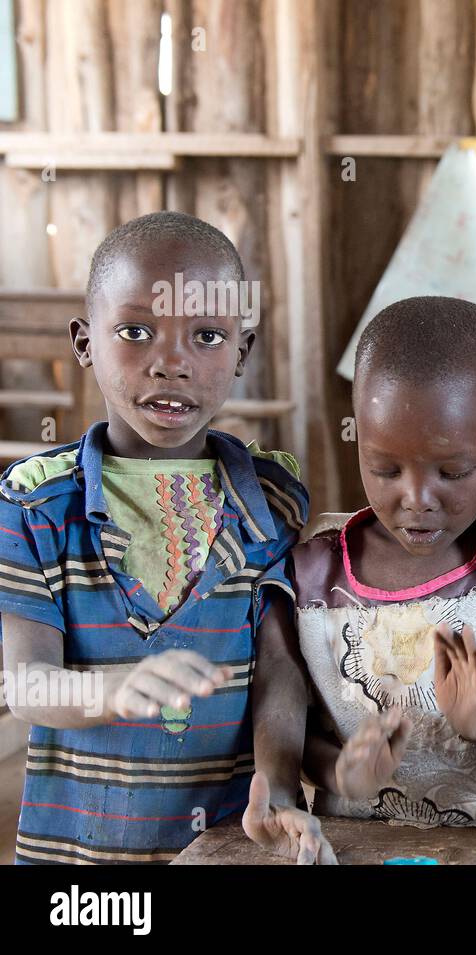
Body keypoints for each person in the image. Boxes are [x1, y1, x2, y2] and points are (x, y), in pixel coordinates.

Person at [0, 211, 307, 864]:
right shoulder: (37, 503)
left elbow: (279, 674)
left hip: (225, 844)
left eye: (206, 335)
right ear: (85, 342)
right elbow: (28, 685)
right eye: (137, 331)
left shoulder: (271, 501)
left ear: (243, 353)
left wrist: (280, 788)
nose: (172, 362)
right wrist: (116, 687)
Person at [242, 297, 476, 863]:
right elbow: (286, 714)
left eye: (452, 472)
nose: (416, 499)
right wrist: (339, 773)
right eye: (385, 468)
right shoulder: (313, 576)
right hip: (359, 846)